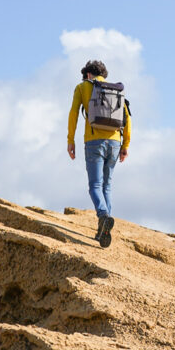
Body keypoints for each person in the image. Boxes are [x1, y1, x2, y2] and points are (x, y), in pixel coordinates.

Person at [67, 59, 131, 247]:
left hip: (93, 142)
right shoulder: (116, 89)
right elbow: (127, 118)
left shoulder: (82, 87)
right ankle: (102, 230)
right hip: (114, 142)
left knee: (95, 185)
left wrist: (70, 140)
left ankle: (103, 216)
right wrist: (125, 144)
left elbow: (73, 114)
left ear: (88, 74)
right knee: (107, 186)